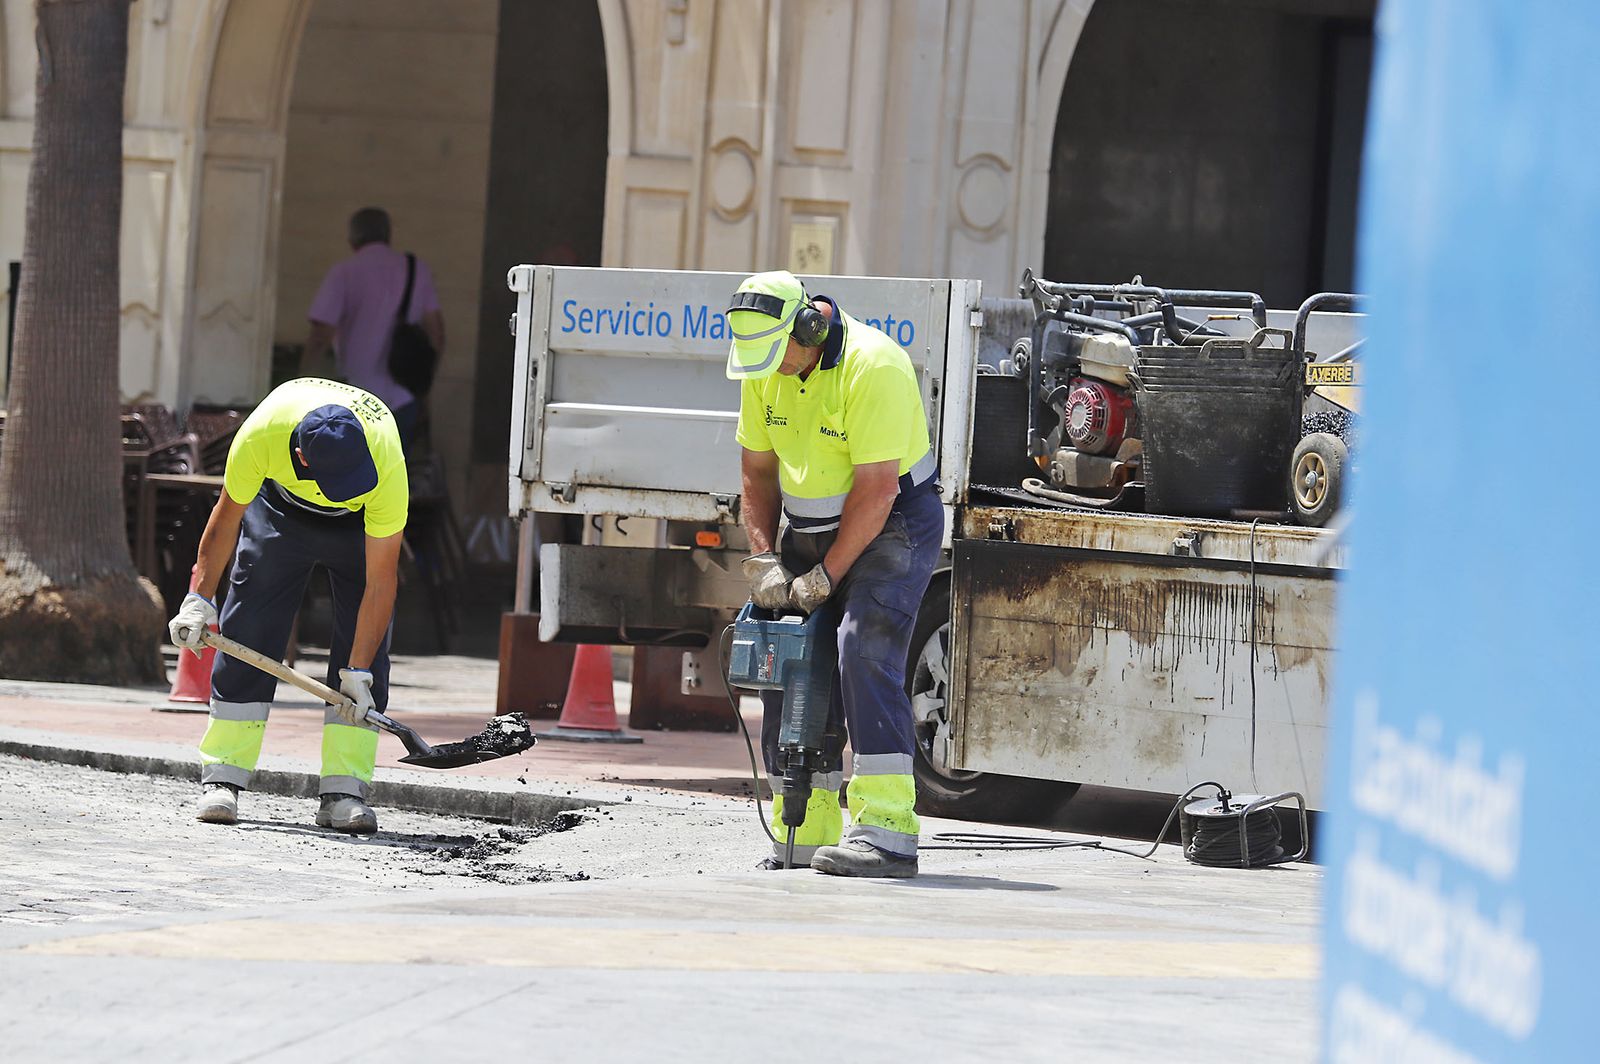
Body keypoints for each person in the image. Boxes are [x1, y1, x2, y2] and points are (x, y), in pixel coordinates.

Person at [726, 270, 941, 878]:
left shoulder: (874, 366)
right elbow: (757, 473)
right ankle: (803, 828)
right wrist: (765, 558)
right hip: (809, 527)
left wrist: (825, 578)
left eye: (779, 355)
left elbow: (875, 492)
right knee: (790, 657)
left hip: (892, 522)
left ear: (810, 328)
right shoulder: (765, 368)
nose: (771, 370)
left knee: (861, 647)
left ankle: (887, 833)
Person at [168, 379, 409, 834]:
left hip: (358, 524)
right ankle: (223, 777)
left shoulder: (384, 459)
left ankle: (344, 792)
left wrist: (358, 673)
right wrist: (199, 599)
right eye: (336, 483)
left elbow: (380, 583)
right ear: (302, 457)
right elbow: (226, 518)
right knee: (249, 626)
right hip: (280, 510)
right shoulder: (262, 434)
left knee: (365, 653)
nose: (342, 489)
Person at [301, 207, 444, 449]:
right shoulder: (417, 271)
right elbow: (437, 334)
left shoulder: (344, 273)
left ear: (352, 239)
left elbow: (320, 336)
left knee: (354, 470)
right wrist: (424, 386)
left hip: (355, 400)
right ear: (388, 234)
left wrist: (302, 381)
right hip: (403, 398)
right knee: (396, 468)